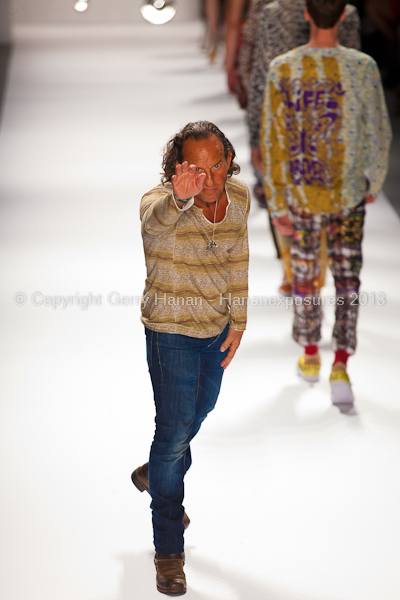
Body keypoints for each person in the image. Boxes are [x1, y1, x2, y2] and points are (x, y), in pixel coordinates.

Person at [132, 121, 250, 596]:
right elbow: (154, 224)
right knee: (174, 431)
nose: (210, 176)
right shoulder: (158, 201)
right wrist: (179, 199)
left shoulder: (238, 198)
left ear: (227, 159)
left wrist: (239, 319)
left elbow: (239, 255)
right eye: (196, 168)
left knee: (194, 419)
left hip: (215, 329)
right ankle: (168, 550)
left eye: (217, 163)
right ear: (178, 167)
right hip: (170, 332)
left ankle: (154, 473)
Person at [261, 0, 391, 403]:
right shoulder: (362, 67)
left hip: (301, 194)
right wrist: (375, 178)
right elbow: (379, 130)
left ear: (306, 15)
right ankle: (341, 367)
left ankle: (311, 354)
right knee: (347, 278)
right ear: (342, 16)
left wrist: (278, 202)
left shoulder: (282, 68)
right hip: (348, 190)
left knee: (305, 274)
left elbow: (273, 139)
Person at [247, 0, 361, 294]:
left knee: (284, 190)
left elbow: (261, 74)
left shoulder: (274, 11)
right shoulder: (345, 12)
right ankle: (306, 270)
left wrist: (256, 134)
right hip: (330, 121)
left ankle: (294, 270)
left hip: (290, 120)